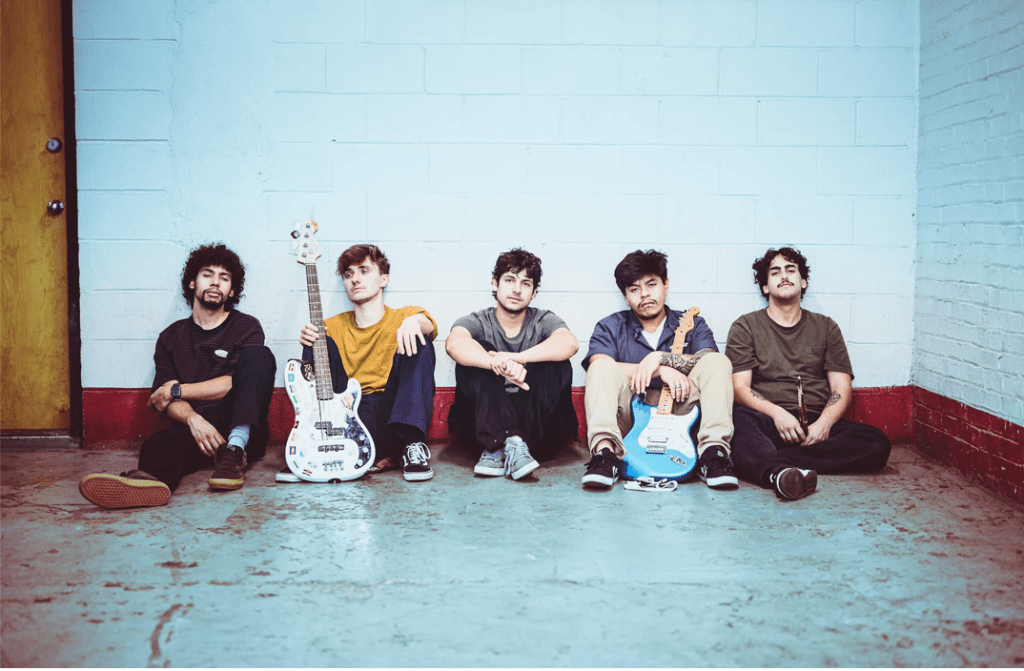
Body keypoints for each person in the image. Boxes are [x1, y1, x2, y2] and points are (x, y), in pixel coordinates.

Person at [79, 244, 276, 508]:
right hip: (197, 432)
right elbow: (162, 401)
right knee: (155, 446)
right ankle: (145, 486)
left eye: (225, 278)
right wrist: (194, 420)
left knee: (260, 356)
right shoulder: (171, 338)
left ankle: (233, 454)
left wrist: (177, 390)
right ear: (192, 282)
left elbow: (233, 384)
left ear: (232, 290)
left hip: (238, 427)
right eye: (208, 274)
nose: (216, 282)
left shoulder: (246, 327)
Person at [725, 246, 891, 501]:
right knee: (737, 423)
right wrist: (778, 414)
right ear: (765, 287)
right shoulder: (746, 326)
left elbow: (841, 388)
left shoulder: (826, 327)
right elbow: (739, 389)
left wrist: (824, 425)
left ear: (803, 281)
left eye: (791, 270)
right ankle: (778, 473)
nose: (784, 275)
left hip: (814, 423)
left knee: (877, 444)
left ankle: (770, 460)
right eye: (775, 272)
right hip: (767, 420)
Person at [581, 249, 737, 490]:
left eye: (651, 284)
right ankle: (605, 456)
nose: (644, 294)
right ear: (625, 296)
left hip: (682, 411)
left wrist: (660, 358)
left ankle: (713, 455)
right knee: (601, 366)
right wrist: (659, 371)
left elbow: (707, 358)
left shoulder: (692, 323)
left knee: (718, 362)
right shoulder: (610, 326)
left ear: (666, 285)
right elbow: (599, 364)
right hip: (631, 417)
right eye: (634, 289)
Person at [289, 244, 437, 483]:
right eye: (348, 274)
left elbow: (427, 324)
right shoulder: (331, 325)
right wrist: (312, 339)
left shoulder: (403, 316)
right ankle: (315, 443)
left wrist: (414, 322)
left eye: (364, 271)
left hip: (393, 419)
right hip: (349, 419)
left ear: (384, 279)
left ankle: (412, 447)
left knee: (421, 341)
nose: (355, 279)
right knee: (317, 341)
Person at [446, 248, 579, 480]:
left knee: (557, 363)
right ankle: (504, 443)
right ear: (495, 283)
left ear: (534, 292)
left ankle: (514, 443)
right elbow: (454, 343)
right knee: (474, 355)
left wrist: (516, 358)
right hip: (482, 432)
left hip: (537, 433)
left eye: (526, 284)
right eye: (509, 280)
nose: (517, 289)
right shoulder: (478, 320)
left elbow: (569, 343)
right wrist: (493, 361)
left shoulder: (543, 319)